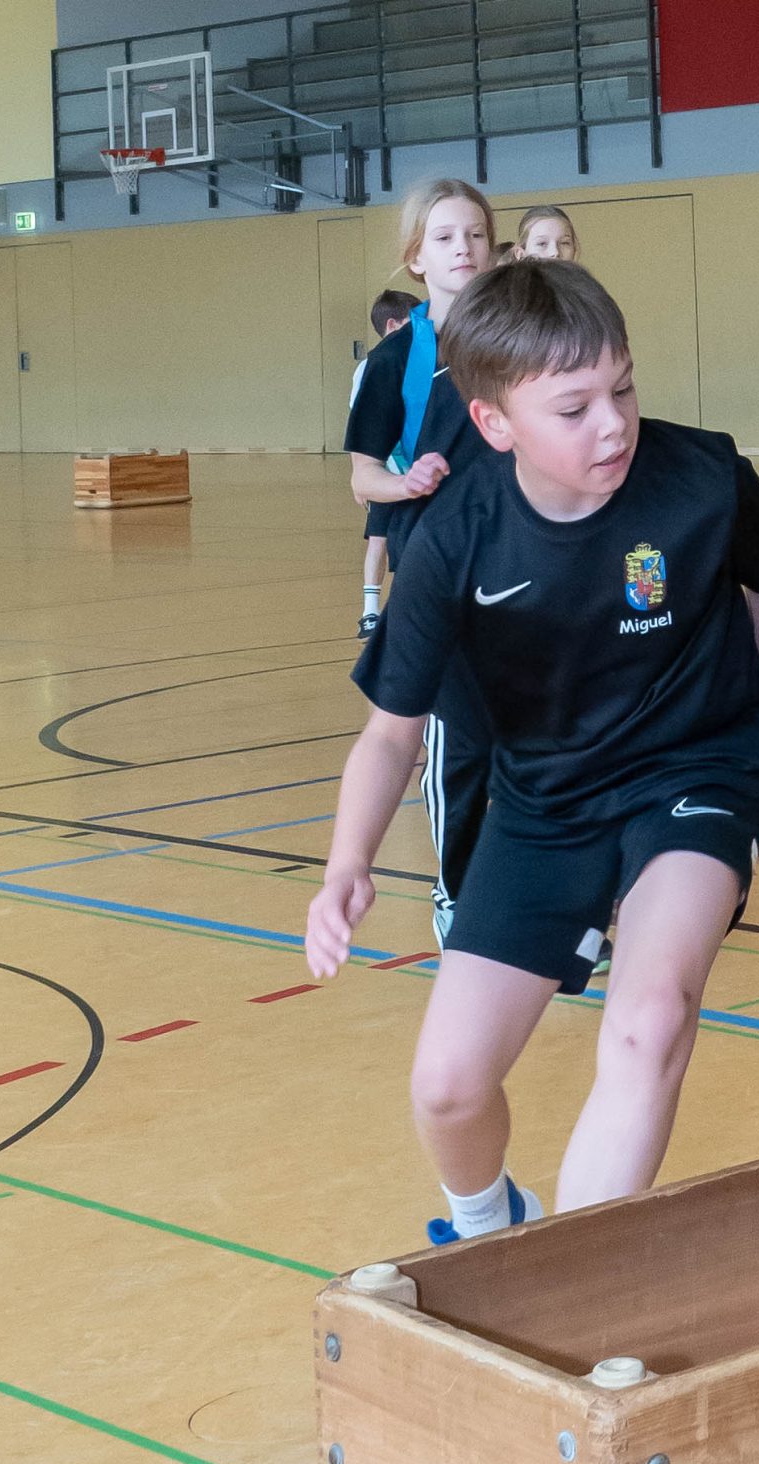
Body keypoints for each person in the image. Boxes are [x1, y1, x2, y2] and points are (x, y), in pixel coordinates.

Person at [308, 259, 759, 1235]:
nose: (614, 423)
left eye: (622, 388)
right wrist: (346, 865)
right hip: (547, 801)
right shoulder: (453, 540)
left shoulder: (702, 478)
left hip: (699, 768)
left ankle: (576, 1285)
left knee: (649, 1018)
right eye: (575, 406)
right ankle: (488, 1223)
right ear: (496, 423)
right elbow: (389, 734)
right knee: (449, 1087)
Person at [343, 178, 498, 946]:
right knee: (458, 747)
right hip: (442, 582)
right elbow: (360, 474)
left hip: (536, 571)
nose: (463, 248)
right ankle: (458, 894)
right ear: (416, 258)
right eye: (444, 237)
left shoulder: (523, 344)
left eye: (475, 234)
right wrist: (403, 484)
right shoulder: (396, 361)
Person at [351, 289, 420, 639]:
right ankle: (370, 613)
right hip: (388, 471)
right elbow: (361, 422)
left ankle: (405, 611)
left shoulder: (421, 359)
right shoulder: (374, 366)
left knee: (412, 544)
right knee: (377, 540)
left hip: (418, 471)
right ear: (394, 325)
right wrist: (359, 473)